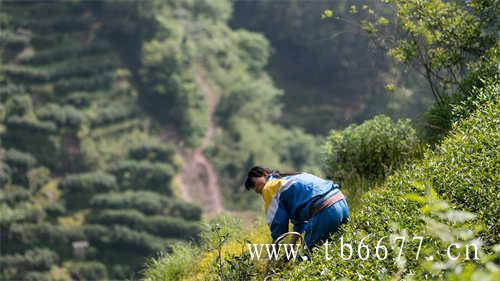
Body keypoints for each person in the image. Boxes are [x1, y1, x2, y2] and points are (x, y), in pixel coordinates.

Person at [245, 166, 350, 249]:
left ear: (265, 173)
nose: (256, 189)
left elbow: (278, 226)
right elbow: (300, 223)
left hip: (325, 210)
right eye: (253, 187)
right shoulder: (290, 178)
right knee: (335, 249)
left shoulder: (269, 187)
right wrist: (291, 247)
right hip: (340, 201)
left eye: (254, 183)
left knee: (306, 258)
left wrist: (274, 253)